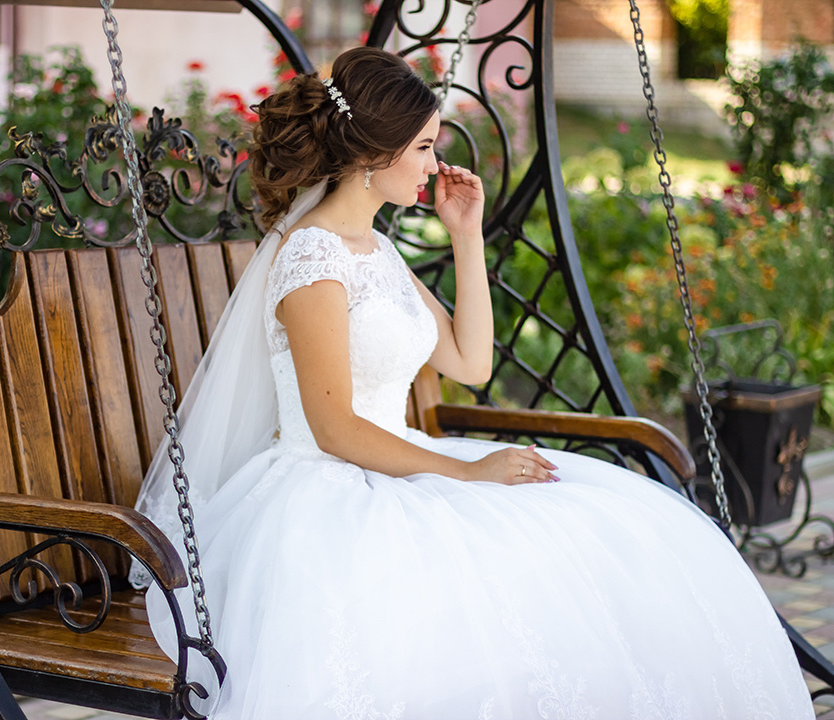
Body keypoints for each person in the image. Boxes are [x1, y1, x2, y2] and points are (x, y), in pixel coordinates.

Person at [132, 47, 812, 718]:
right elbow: (334, 429)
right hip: (329, 484)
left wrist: (466, 237)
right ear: (374, 153)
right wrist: (466, 474)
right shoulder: (313, 257)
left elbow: (469, 362)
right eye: (424, 147)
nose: (434, 164)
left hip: (395, 461)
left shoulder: (378, 247)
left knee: (610, 535)